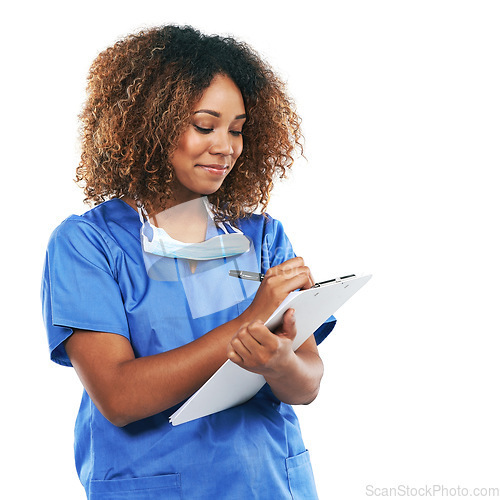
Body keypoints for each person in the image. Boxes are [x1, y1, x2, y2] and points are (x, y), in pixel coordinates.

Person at [41, 25, 336, 500]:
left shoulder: (261, 237)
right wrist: (252, 319)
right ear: (149, 124)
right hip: (155, 486)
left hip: (272, 484)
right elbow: (118, 397)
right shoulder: (88, 244)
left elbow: (307, 384)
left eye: (237, 130)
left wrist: (280, 363)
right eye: (205, 126)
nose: (226, 147)